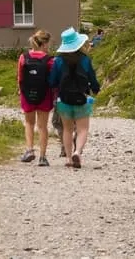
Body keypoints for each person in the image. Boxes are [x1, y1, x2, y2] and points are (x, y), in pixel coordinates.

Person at [49, 27, 100, 168]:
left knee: (67, 129)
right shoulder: (85, 60)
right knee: (82, 129)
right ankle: (77, 151)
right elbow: (93, 79)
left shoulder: (58, 61)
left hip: (63, 99)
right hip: (82, 98)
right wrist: (96, 89)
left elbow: (52, 81)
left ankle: (69, 159)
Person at [17, 30, 54, 166]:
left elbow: (20, 77)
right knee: (42, 126)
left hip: (27, 94)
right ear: (44, 43)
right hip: (45, 95)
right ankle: (43, 157)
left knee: (29, 123)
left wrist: (21, 92)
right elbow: (53, 80)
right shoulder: (50, 60)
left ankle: (29, 150)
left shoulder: (23, 57)